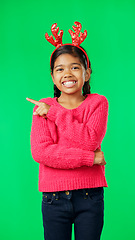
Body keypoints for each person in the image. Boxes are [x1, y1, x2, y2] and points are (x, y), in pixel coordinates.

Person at [26, 22, 109, 240]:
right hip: (53, 198)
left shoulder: (97, 103)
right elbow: (42, 153)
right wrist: (90, 159)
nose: (67, 73)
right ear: (53, 76)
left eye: (74, 67)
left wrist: (54, 114)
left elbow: (90, 140)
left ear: (87, 73)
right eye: (60, 69)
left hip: (90, 196)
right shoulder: (42, 105)